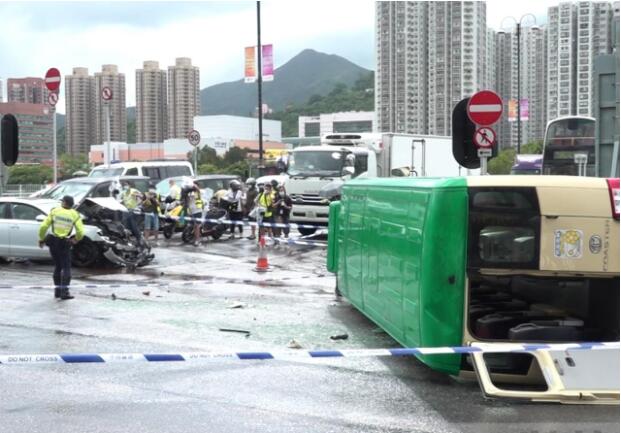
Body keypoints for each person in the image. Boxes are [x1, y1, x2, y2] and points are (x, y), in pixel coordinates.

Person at [38, 195, 85, 300]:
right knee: (66, 267)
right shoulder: (75, 214)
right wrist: (76, 239)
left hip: (53, 241)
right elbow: (81, 231)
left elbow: (43, 226)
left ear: (64, 202)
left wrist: (41, 239)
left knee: (58, 266)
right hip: (65, 242)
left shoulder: (55, 211)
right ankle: (64, 292)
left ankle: (57, 292)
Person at [182, 181, 204, 246]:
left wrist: (195, 187)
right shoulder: (190, 193)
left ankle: (197, 240)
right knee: (193, 225)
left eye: (194, 185)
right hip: (191, 211)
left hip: (198, 210)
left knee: (196, 225)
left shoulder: (200, 191)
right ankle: (195, 238)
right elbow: (186, 199)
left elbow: (199, 191)